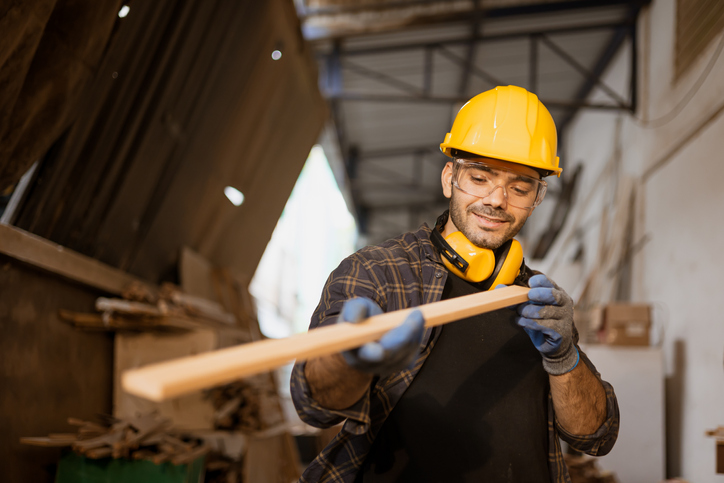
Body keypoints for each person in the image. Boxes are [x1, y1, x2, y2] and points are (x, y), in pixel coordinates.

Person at [291, 85, 619, 482]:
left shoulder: (539, 300)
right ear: (450, 179)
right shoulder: (378, 273)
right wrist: (350, 359)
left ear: (536, 199)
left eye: (520, 187)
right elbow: (314, 405)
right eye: (480, 178)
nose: (498, 200)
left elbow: (595, 436)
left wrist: (565, 357)